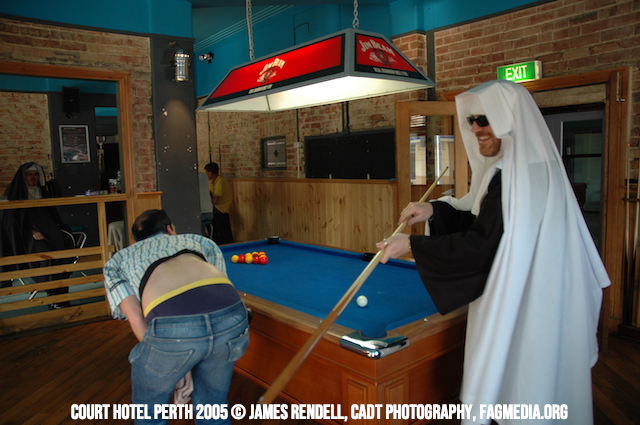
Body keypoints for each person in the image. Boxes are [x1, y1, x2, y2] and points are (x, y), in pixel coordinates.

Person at [377, 80, 610, 425]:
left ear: (509, 120)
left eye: (484, 119)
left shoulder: (516, 176)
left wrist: (412, 246)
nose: (474, 129)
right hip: (536, 298)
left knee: (522, 384)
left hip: (525, 304)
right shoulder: (526, 167)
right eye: (471, 120)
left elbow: (481, 246)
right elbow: (485, 223)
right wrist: (433, 211)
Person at [103, 209, 249, 424]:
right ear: (170, 229)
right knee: (213, 406)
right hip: (232, 315)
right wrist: (183, 366)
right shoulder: (201, 241)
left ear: (136, 241)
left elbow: (137, 319)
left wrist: (179, 368)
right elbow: (216, 290)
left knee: (149, 414)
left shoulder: (118, 261)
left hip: (174, 327)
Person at [0, 163, 73, 308]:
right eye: (29, 174)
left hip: (47, 233)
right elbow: (10, 222)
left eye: (35, 174)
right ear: (23, 176)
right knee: (47, 254)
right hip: (24, 238)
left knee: (64, 250)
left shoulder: (42, 192)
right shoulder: (14, 193)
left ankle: (61, 296)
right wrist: (31, 232)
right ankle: (51, 293)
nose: (33, 177)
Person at [204, 162, 234, 245]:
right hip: (215, 207)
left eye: (206, 173)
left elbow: (215, 201)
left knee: (206, 216)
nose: (206, 175)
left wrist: (208, 195)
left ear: (211, 172)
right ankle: (214, 240)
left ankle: (215, 240)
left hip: (221, 209)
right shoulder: (211, 182)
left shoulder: (220, 182)